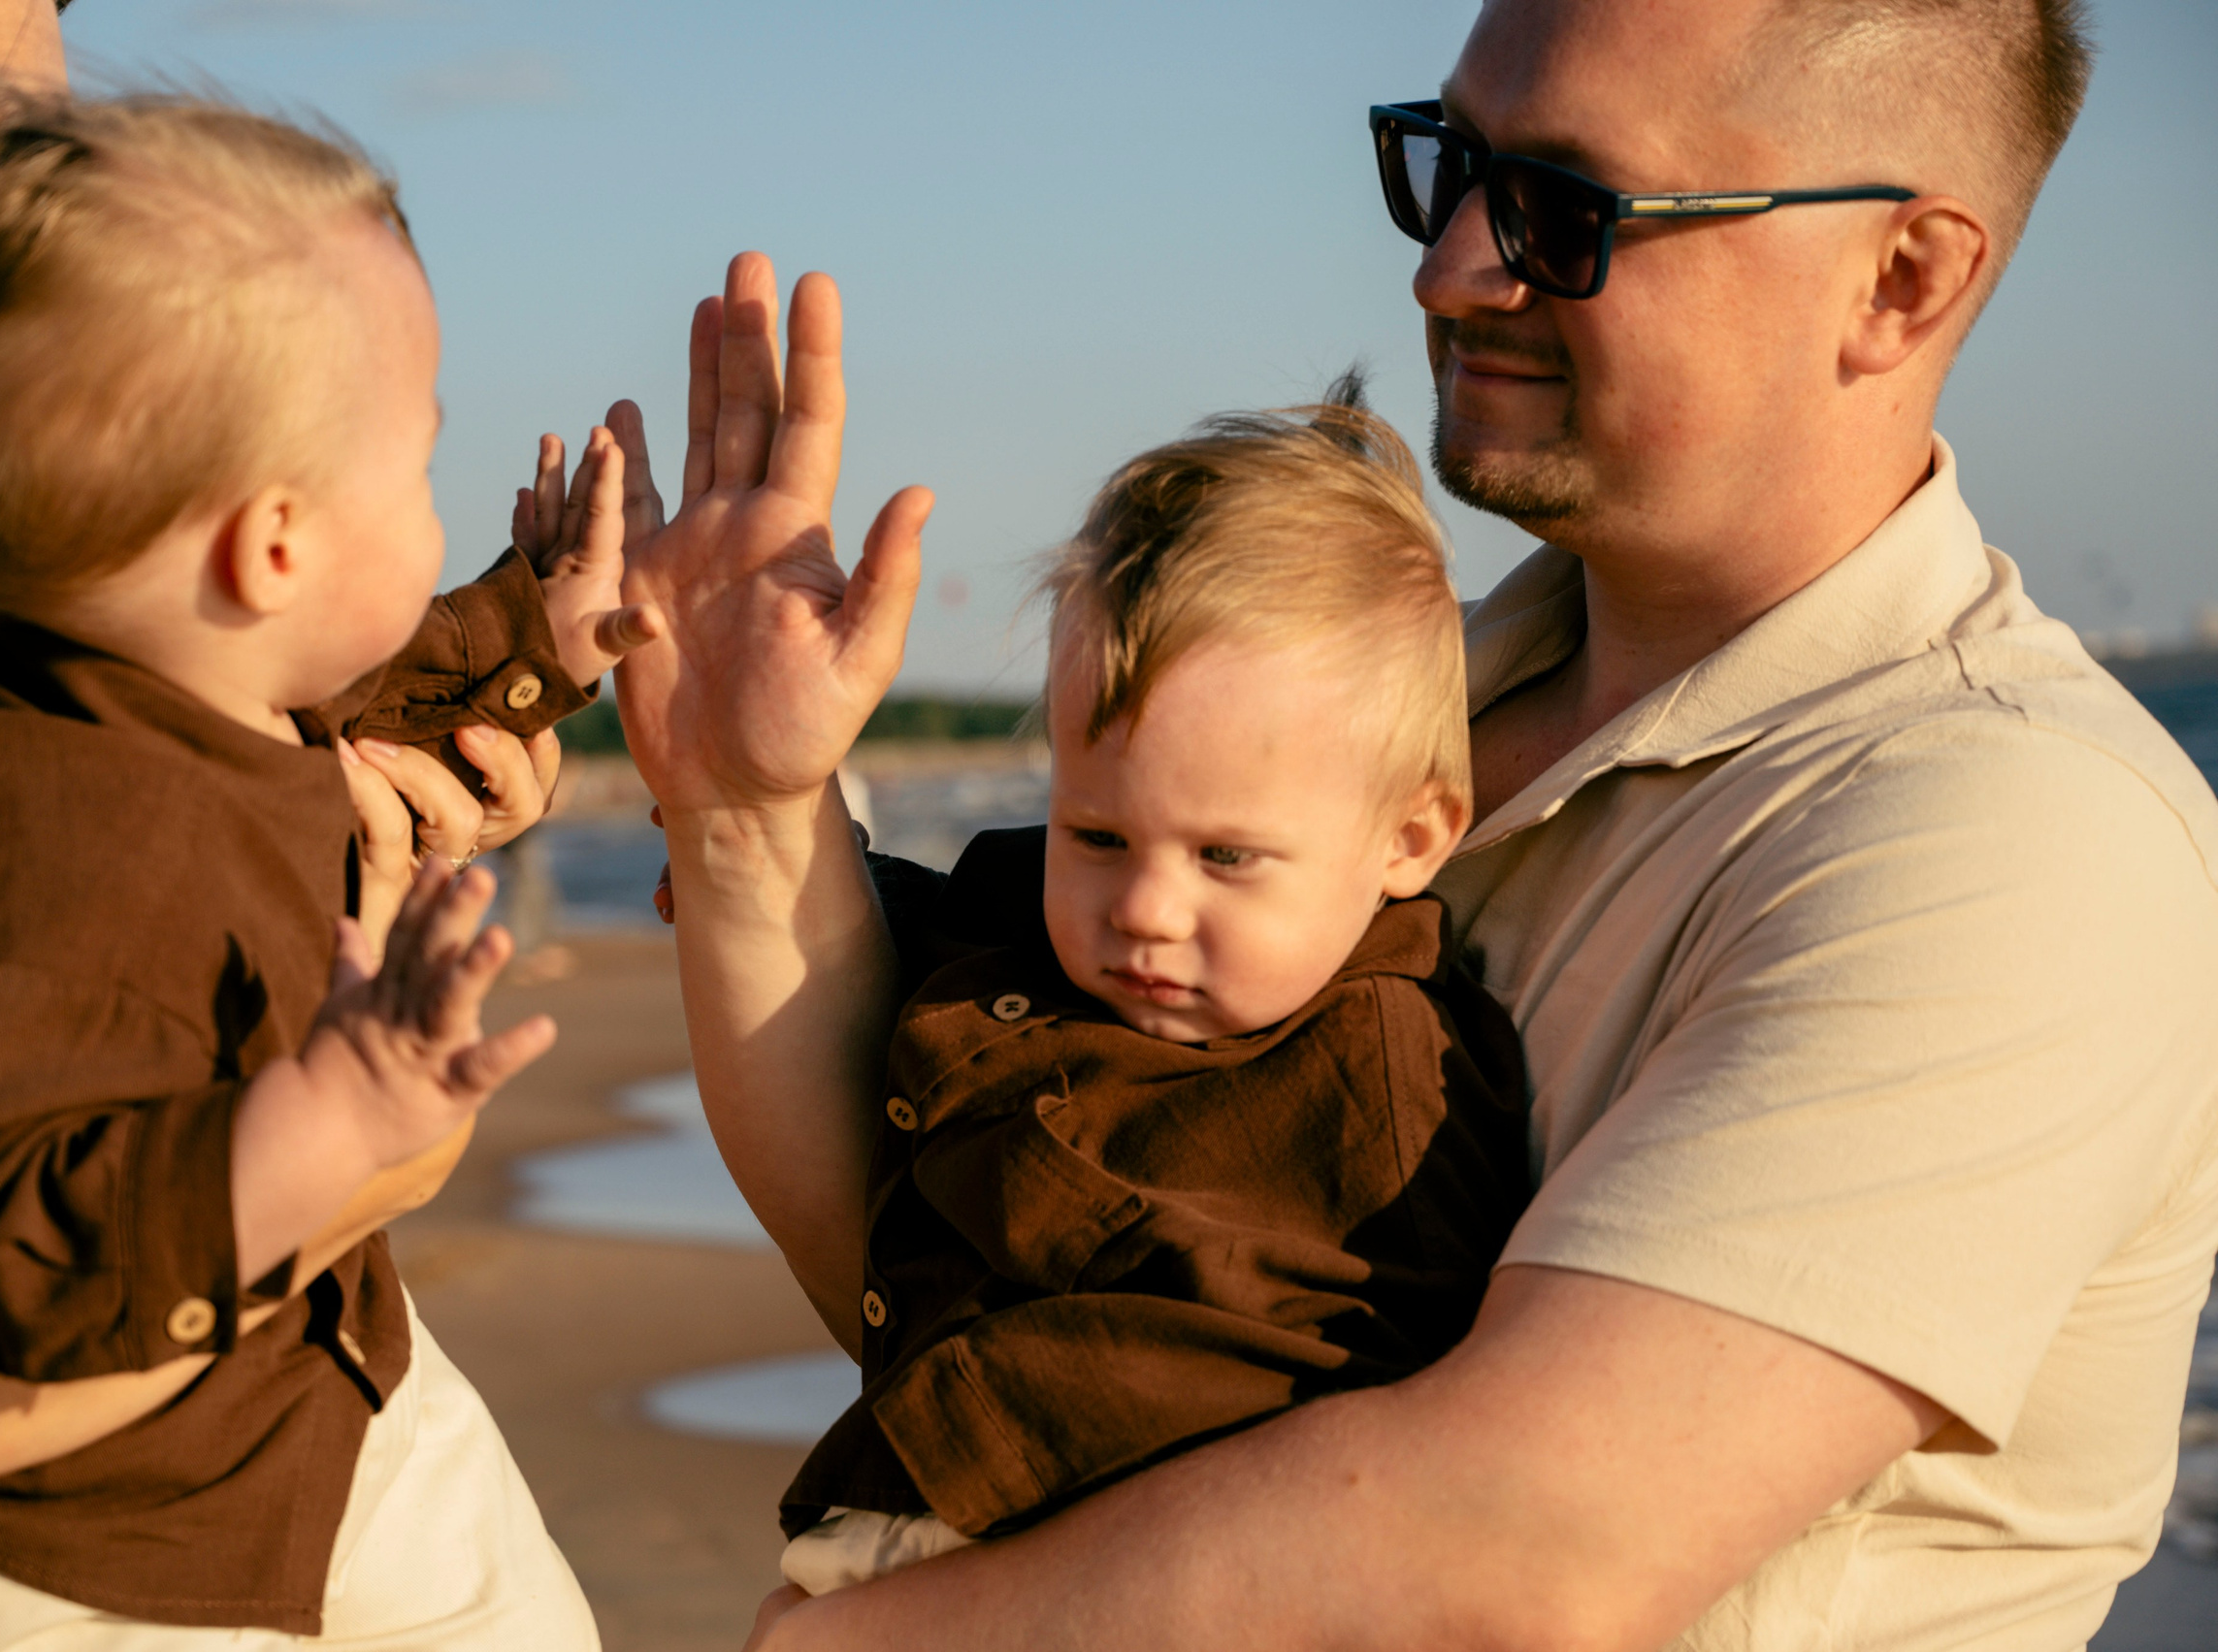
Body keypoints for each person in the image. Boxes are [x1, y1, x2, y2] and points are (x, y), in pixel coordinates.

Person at [604, 0, 2218, 1645]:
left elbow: (1512, 1558)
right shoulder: (1357, 709)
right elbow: (965, 1290)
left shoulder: (2010, 835)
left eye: (1566, 209)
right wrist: (745, 814)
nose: (1450, 266)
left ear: (1902, 280)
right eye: (1454, 165)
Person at [0, 92, 658, 1649]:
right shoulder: (18, 819)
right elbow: (4, 1249)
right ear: (269, 547)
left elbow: (345, 681)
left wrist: (535, 634)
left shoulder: (116, 686)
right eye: (417, 464)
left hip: (256, 1441)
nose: (429, 515)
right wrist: (327, 1128)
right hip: (125, 1562)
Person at [776, 392, 1531, 1596]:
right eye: (1098, 832)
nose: (1145, 907)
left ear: (1408, 837)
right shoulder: (1035, 923)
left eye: (1224, 856)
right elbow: (923, 934)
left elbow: (1416, 1426)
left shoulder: (1388, 1088)